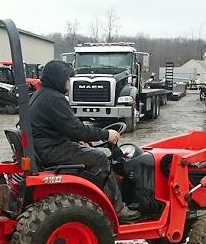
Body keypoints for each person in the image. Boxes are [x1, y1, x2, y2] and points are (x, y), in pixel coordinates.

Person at [29, 60, 141, 222]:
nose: (69, 82)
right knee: (100, 158)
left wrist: (80, 141)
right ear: (58, 78)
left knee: (90, 152)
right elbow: (76, 129)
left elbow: (62, 127)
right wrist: (106, 135)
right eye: (67, 78)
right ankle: (118, 209)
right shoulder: (54, 99)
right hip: (50, 149)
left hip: (43, 146)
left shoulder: (40, 95)